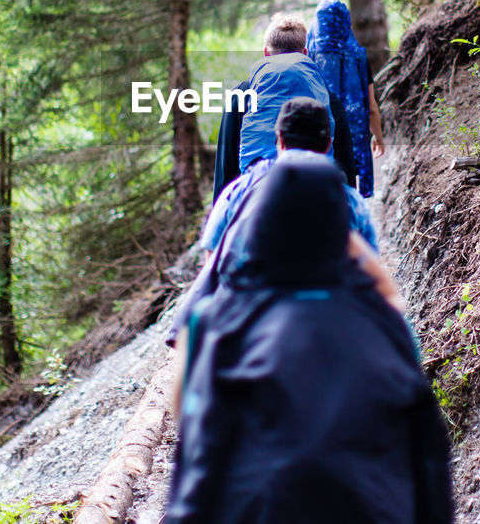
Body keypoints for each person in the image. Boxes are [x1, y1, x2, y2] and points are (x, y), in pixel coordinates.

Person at [165, 159, 454, 524]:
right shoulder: (383, 324)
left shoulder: (212, 324)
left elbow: (187, 425)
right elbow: (425, 453)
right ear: (341, 235)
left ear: (261, 227)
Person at [169, 98, 391, 349]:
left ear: (279, 140)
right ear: (329, 144)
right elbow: (368, 274)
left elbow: (213, 259)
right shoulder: (350, 201)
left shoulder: (240, 189)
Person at [212, 15, 355, 201]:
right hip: (317, 197)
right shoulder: (328, 99)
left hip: (256, 199)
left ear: (265, 52)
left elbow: (226, 163)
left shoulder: (242, 96)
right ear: (305, 53)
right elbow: (345, 166)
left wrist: (223, 211)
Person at [307, 0, 386, 197]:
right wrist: (378, 137)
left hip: (317, 138)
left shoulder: (308, 57)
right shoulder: (358, 56)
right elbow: (372, 108)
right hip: (351, 144)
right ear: (346, 22)